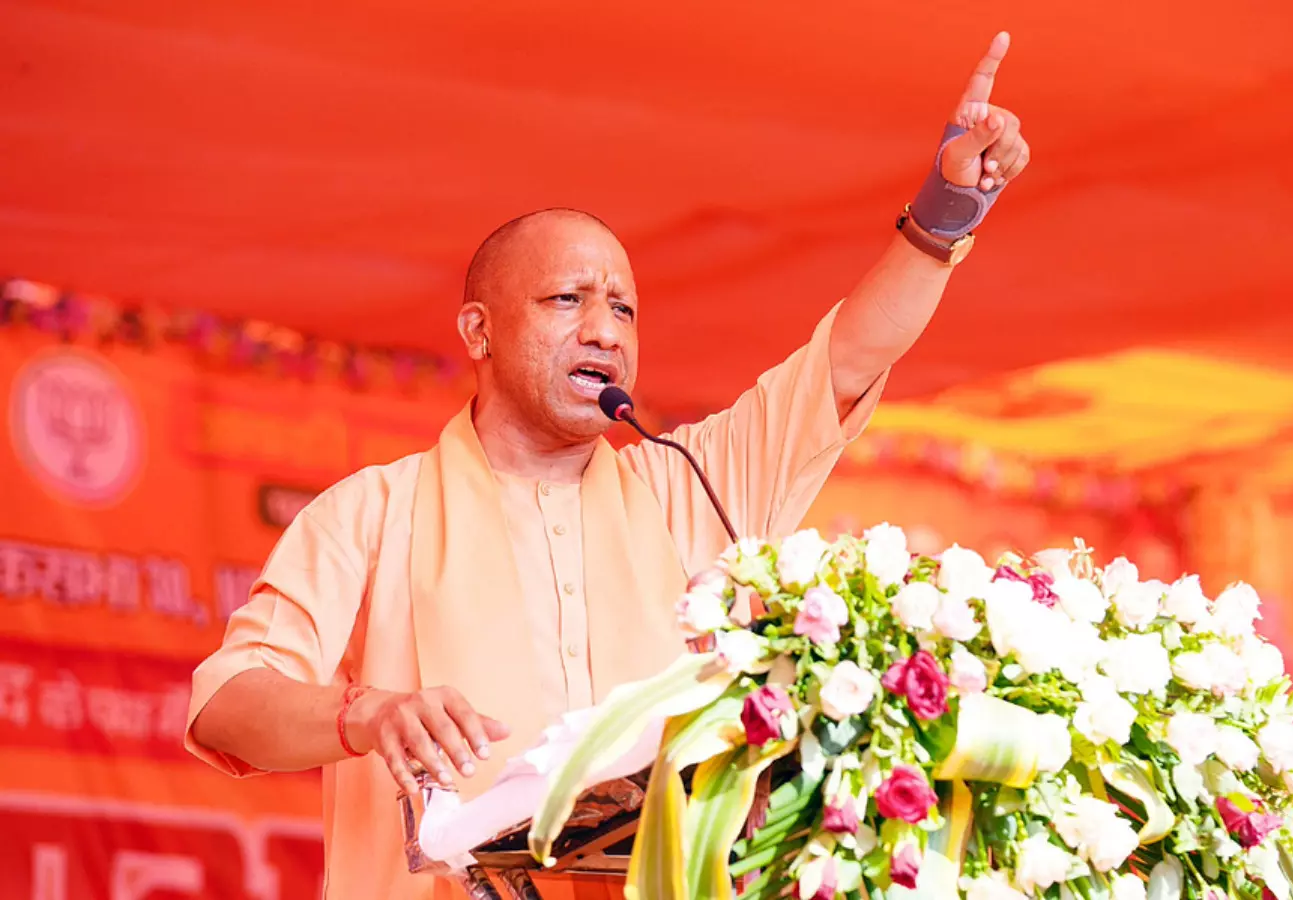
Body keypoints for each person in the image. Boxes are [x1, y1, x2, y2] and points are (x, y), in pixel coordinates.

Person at [185, 30, 1030, 900]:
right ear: (478, 331)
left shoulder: (686, 482)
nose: (604, 331)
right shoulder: (371, 513)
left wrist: (945, 212)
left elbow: (849, 358)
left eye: (624, 309)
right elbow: (226, 706)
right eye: (567, 300)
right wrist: (366, 713)